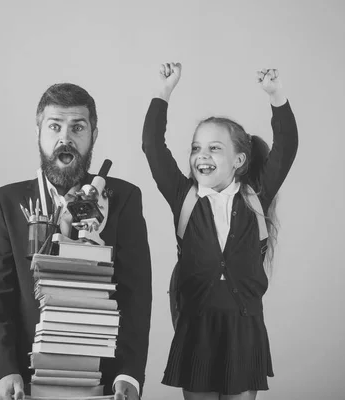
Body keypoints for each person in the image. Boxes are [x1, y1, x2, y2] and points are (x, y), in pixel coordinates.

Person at [0, 83, 152, 400]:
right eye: (55, 126)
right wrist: (2, 371)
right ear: (38, 131)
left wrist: (129, 373)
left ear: (93, 135)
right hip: (23, 383)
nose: (64, 139)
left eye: (77, 127)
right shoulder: (4, 202)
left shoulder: (123, 199)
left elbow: (135, 293)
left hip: (104, 381)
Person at [141, 63, 298, 400]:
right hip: (197, 326)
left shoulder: (256, 196)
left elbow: (286, 147)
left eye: (214, 148)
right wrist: (164, 92)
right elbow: (153, 146)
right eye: (197, 148)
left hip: (244, 328)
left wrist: (276, 95)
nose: (202, 155)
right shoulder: (184, 198)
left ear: (239, 160)